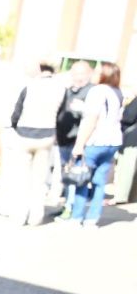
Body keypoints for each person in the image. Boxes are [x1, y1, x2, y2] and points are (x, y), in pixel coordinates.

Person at [7, 61, 64, 226]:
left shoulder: (30, 86)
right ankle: (36, 216)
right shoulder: (60, 89)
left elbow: (17, 111)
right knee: (39, 179)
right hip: (47, 135)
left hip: (25, 133)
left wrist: (15, 126)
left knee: (22, 179)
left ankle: (19, 215)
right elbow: (62, 114)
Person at [68, 61, 124, 228]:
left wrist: (79, 145)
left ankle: (76, 216)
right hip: (112, 140)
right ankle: (93, 218)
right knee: (100, 181)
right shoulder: (118, 92)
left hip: (95, 140)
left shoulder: (98, 91)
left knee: (82, 178)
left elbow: (91, 119)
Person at [54, 61, 94, 217]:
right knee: (65, 175)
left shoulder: (91, 92)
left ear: (88, 74)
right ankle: (65, 205)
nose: (77, 77)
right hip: (63, 138)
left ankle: (71, 208)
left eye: (80, 73)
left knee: (74, 176)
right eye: (74, 73)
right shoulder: (68, 91)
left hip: (77, 141)